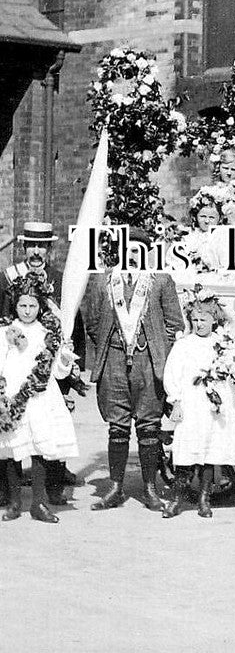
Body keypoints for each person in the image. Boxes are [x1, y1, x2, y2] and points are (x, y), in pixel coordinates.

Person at [82, 228, 186, 511]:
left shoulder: (160, 279)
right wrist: (112, 343)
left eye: (139, 250)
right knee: (117, 426)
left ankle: (150, 488)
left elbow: (175, 323)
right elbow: (91, 320)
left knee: (149, 426)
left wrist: (155, 347)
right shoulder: (104, 279)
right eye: (128, 249)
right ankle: (115, 488)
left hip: (148, 361)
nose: (133, 255)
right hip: (114, 360)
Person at [0, 221, 86, 503]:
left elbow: (75, 322)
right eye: (32, 246)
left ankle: (53, 484)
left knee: (51, 424)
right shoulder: (8, 277)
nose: (37, 252)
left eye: (42, 246)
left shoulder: (60, 280)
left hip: (51, 362)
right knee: (11, 423)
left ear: (49, 249)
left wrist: (73, 364)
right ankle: (7, 489)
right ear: (24, 247)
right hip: (16, 360)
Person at [161, 291, 235, 519]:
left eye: (203, 320)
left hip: (215, 403)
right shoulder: (184, 344)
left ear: (214, 320)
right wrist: (175, 400)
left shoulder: (222, 342)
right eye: (194, 320)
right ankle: (177, 499)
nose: (198, 324)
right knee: (186, 451)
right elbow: (171, 373)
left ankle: (204, 499)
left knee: (210, 451)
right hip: (192, 403)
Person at [0, 278, 79, 523]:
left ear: (40, 307)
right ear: (15, 306)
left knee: (38, 449)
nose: (27, 311)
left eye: (32, 306)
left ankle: (38, 502)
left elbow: (57, 371)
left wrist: (65, 360)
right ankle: (14, 502)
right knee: (14, 448)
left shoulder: (48, 333)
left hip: (41, 396)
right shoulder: (5, 332)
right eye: (22, 305)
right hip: (14, 393)